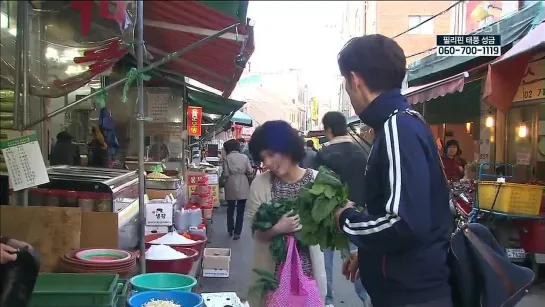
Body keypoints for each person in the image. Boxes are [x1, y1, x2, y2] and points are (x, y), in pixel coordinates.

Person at [334, 34, 453, 307]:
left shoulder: (397, 129)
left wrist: (346, 218)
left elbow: (403, 224)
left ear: (355, 80)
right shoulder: (403, 123)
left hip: (410, 295)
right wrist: (370, 254)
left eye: (346, 85)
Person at [246, 120, 326, 307]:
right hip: (271, 278)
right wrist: (277, 229)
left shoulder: (316, 181)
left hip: (307, 276)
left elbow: (326, 233)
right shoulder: (260, 184)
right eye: (263, 157)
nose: (267, 163)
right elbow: (256, 233)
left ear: (288, 148)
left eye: (271, 155)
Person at [315, 111, 372, 307]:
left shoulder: (323, 154)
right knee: (358, 260)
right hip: (358, 215)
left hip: (328, 216)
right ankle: (366, 298)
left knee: (325, 263)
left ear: (328, 129)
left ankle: (328, 300)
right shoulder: (362, 152)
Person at [221, 139, 254, 240]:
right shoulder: (244, 157)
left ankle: (230, 229)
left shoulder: (226, 158)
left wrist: (221, 181)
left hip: (230, 183)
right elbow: (250, 171)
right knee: (241, 210)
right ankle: (237, 233)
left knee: (230, 208)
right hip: (243, 183)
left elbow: (226, 174)